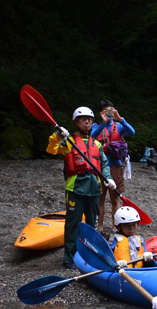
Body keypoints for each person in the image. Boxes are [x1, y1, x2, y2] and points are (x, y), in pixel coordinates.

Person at [46, 107, 114, 267]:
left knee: (93, 225)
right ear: (76, 122)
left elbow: (103, 163)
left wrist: (108, 178)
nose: (87, 121)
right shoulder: (69, 142)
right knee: (73, 224)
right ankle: (69, 258)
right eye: (83, 119)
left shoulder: (96, 144)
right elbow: (51, 149)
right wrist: (56, 135)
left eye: (89, 119)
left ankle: (90, 256)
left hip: (94, 189)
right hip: (75, 189)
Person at [91, 101, 135, 234]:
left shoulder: (119, 126)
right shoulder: (95, 126)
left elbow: (132, 132)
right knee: (100, 198)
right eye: (105, 111)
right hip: (99, 167)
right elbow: (91, 137)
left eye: (110, 110)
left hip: (115, 166)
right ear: (100, 113)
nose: (108, 113)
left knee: (115, 198)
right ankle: (99, 226)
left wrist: (120, 119)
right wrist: (104, 123)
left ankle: (115, 226)